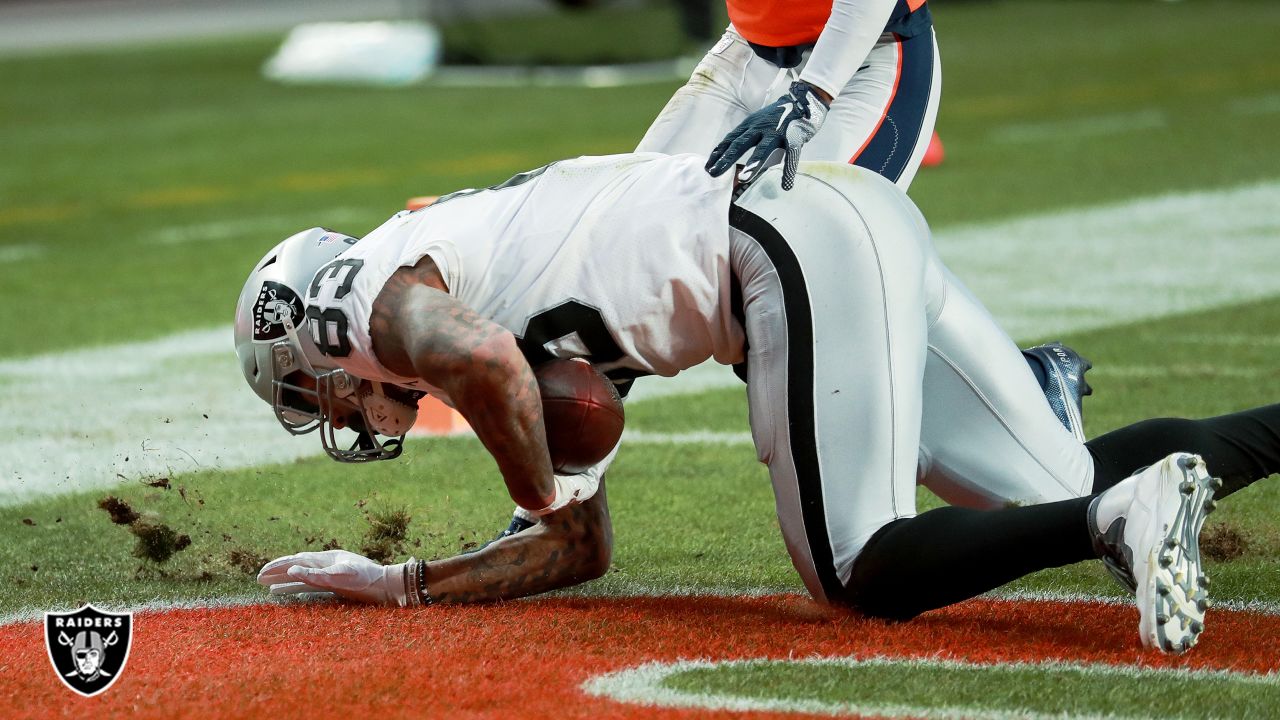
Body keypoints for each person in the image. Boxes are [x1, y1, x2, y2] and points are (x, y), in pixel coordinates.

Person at [236, 154, 1280, 653]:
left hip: (778, 254)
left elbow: (495, 377)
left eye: (300, 381)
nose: (325, 403)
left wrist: (539, 490)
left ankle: (1115, 522)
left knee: (856, 570)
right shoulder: (502, 280)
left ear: (304, 320)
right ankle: (1138, 490)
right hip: (842, 215)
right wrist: (408, 583)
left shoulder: (356, 294)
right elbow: (576, 549)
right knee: (1062, 475)